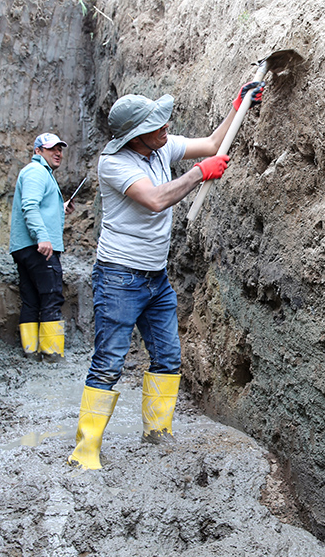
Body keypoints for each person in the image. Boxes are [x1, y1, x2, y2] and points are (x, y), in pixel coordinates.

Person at [68, 82, 264, 470]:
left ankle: (157, 431)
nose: (167, 128)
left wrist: (237, 105)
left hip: (155, 278)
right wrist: (197, 176)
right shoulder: (114, 164)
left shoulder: (161, 146)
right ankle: (85, 448)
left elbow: (211, 144)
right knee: (109, 361)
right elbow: (156, 200)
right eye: (158, 126)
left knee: (168, 357)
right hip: (119, 276)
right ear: (137, 137)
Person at [9, 132, 75, 361]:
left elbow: (36, 205)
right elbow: (29, 206)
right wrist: (42, 237)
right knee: (51, 296)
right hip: (39, 248)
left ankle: (31, 351)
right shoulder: (37, 171)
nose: (58, 153)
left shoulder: (37, 173)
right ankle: (52, 354)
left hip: (25, 247)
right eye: (51, 149)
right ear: (38, 151)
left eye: (60, 149)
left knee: (31, 299)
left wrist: (60, 208)